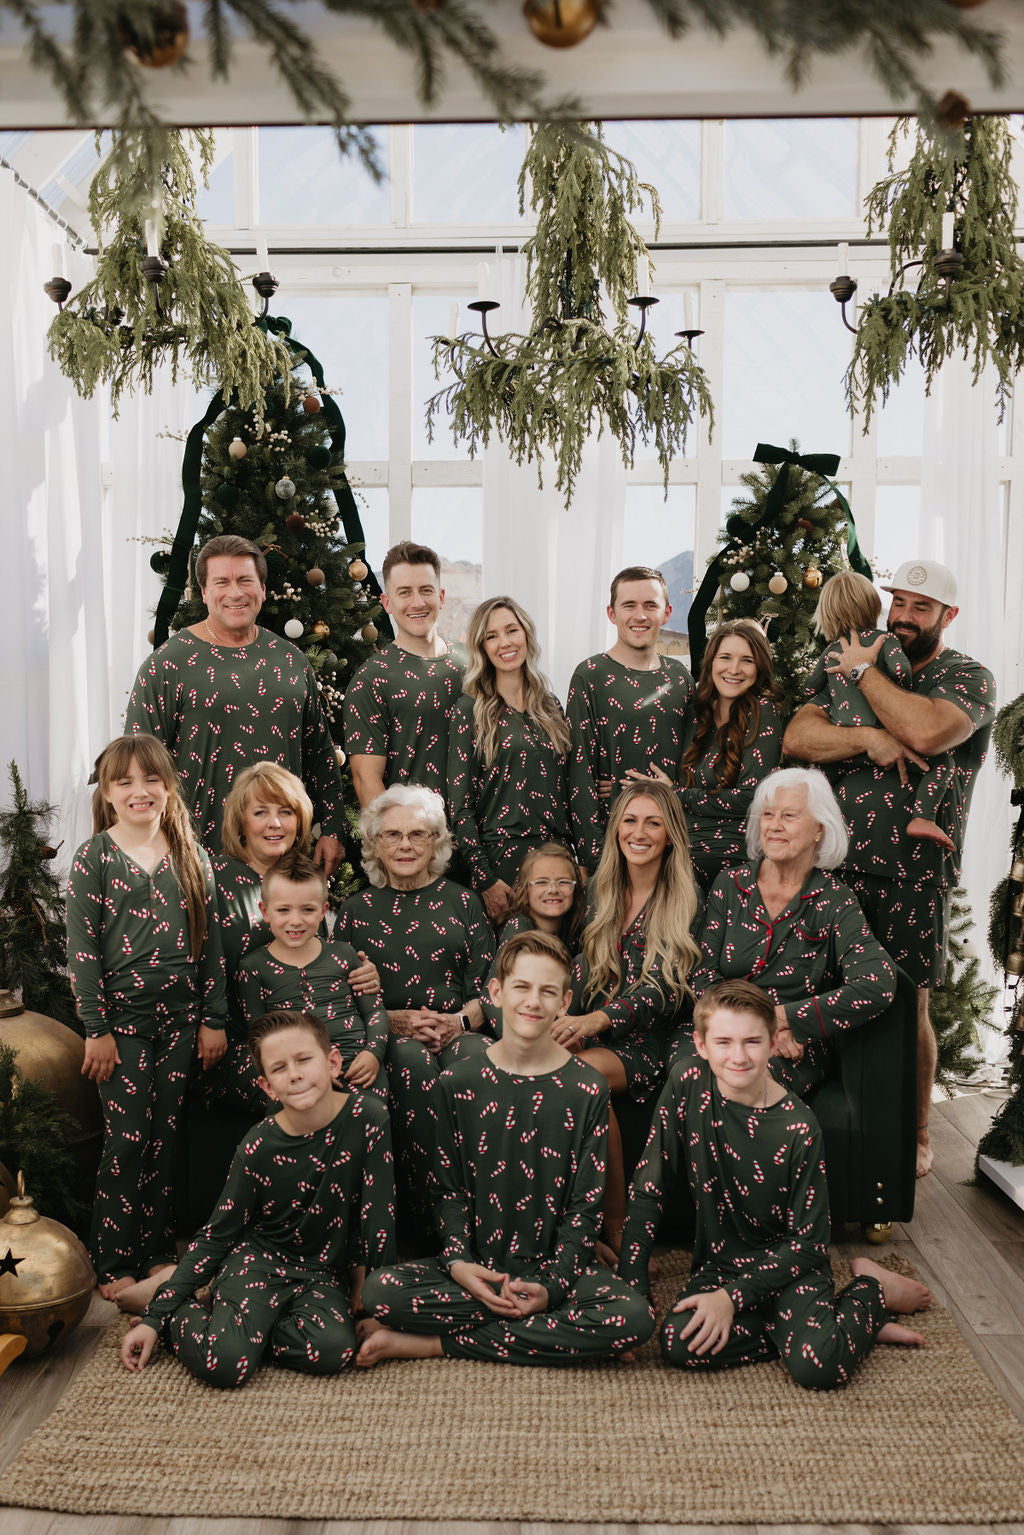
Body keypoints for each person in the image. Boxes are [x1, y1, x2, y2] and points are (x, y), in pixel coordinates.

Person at [783, 559, 997, 1176]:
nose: (903, 616)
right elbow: (799, 735)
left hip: (912, 872)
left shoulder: (967, 678)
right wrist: (868, 740)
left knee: (909, 1002)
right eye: (897, 602)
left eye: (920, 607)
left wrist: (866, 675)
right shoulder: (856, 653)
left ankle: (917, 1131)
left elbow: (927, 732)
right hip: (837, 863)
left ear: (947, 616)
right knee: (822, 994)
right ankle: (826, 1127)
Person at [356, 932, 655, 1369]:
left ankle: (429, 1344)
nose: (533, 1001)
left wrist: (552, 1287)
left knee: (634, 1319)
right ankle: (568, 1332)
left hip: (558, 1269)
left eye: (547, 991)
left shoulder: (587, 1088)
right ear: (495, 992)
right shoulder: (457, 1083)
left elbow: (583, 1208)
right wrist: (459, 1265)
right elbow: (447, 1192)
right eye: (521, 987)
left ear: (564, 1002)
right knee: (379, 1292)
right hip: (476, 1270)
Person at [619, 979, 931, 1388]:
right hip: (722, 1265)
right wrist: (633, 1286)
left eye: (752, 1042)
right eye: (724, 1042)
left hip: (791, 1270)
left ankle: (869, 1292)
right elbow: (648, 1188)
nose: (738, 1056)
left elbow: (808, 1246)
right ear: (701, 1044)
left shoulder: (800, 1128)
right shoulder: (687, 1083)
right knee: (679, 1343)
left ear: (772, 1044)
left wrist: (730, 1301)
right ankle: (827, 1330)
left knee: (818, 1369)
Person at [118, 1009, 396, 1387]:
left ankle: (236, 1323)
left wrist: (377, 1305)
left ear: (333, 1062)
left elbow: (378, 1216)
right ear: (268, 1088)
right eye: (280, 1069)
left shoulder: (369, 1118)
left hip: (321, 1271)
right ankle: (179, 1311)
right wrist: (154, 1320)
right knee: (226, 1365)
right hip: (258, 1261)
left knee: (334, 1350)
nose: (295, 1074)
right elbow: (217, 1235)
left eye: (304, 1060)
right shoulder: (258, 1147)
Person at [66, 735, 226, 1300]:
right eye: (125, 782)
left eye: (150, 779)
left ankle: (158, 1253)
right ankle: (114, 1260)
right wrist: (97, 1029)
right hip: (123, 1028)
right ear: (108, 794)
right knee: (127, 1142)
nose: (140, 791)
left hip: (182, 1024)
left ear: (168, 786)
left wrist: (214, 1018)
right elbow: (82, 952)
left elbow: (210, 947)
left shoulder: (190, 853)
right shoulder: (95, 857)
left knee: (165, 1138)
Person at [124, 533, 345, 870]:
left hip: (282, 860)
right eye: (222, 582)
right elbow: (138, 768)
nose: (236, 592)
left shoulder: (291, 661)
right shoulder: (167, 665)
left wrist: (333, 829)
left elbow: (319, 753)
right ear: (205, 593)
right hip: (194, 860)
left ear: (262, 590)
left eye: (245, 580)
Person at [333, 785, 494, 1234]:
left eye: (417, 835)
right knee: (411, 1063)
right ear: (374, 846)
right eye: (392, 835)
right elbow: (341, 995)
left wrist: (459, 1023)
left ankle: (486, 1212)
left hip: (460, 1030)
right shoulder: (356, 910)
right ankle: (432, 1220)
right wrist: (393, 1021)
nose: (405, 845)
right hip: (390, 1035)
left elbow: (490, 988)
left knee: (478, 1063)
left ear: (436, 842)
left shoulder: (465, 901)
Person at [684, 767, 896, 1100]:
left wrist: (784, 1020)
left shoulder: (834, 900)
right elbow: (700, 970)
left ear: (819, 830)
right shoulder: (730, 884)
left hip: (792, 1047)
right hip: (723, 1030)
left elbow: (878, 983)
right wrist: (752, 1027)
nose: (774, 825)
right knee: (688, 1073)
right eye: (768, 815)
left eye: (790, 815)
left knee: (736, 1083)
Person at [554, 780, 701, 1255]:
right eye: (630, 820)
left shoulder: (686, 897)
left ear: (670, 834)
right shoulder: (600, 891)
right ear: (616, 827)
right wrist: (563, 1011)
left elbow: (666, 988)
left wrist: (597, 1021)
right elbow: (586, 966)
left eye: (653, 822)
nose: (639, 832)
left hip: (654, 1038)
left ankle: (619, 1226)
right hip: (601, 1026)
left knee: (582, 1076)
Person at [204, 763, 380, 1111]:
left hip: (312, 1038)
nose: (275, 823)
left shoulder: (305, 879)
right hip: (241, 1041)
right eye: (261, 812)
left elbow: (323, 958)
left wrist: (362, 974)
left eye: (286, 812)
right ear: (241, 821)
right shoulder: (215, 878)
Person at [631, 618, 783, 894]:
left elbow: (752, 798)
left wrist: (678, 794)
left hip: (732, 857)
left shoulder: (764, 712)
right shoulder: (695, 711)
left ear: (759, 667)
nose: (734, 669)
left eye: (746, 660)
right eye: (725, 657)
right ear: (711, 661)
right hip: (678, 848)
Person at [448, 596, 573, 921]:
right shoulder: (469, 710)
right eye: (492, 636)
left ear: (526, 635)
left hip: (555, 862)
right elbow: (460, 807)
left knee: (558, 964)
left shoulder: (551, 707)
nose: (504, 642)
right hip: (500, 863)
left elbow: (569, 786)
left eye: (511, 630)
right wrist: (485, 878)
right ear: (482, 647)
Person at [230, 852, 390, 1107]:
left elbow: (374, 1013)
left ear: (323, 910)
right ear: (265, 911)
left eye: (307, 909)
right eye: (283, 910)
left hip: (357, 1069)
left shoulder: (343, 954)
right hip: (298, 1076)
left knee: (365, 1116)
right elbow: (260, 1037)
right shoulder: (254, 968)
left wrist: (373, 1053)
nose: (296, 921)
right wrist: (308, 1075)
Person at [807, 571, 954, 848]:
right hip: (881, 734)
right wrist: (896, 689)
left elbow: (809, 686)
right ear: (874, 606)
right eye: (899, 603)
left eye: (920, 607)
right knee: (942, 763)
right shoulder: (884, 641)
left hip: (842, 745)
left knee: (818, 780)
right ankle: (922, 817)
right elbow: (901, 671)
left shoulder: (832, 650)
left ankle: (816, 822)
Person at [566, 566, 694, 872]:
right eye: (629, 606)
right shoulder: (590, 675)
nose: (640, 615)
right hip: (613, 841)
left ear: (666, 613)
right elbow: (579, 771)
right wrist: (593, 855)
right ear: (612, 613)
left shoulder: (680, 678)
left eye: (650, 605)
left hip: (673, 836)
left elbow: (693, 760)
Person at [344, 541, 464, 808]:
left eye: (425, 590)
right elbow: (366, 780)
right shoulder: (371, 680)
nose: (417, 602)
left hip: (483, 839)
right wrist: (399, 843)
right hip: (414, 840)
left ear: (441, 597)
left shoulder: (474, 664)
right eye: (405, 593)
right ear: (387, 603)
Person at [477, 841, 588, 1036]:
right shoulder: (518, 927)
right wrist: (518, 1042)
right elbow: (489, 995)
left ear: (575, 889)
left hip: (552, 1032)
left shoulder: (574, 934)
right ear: (524, 889)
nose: (553, 889)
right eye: (541, 882)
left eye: (563, 882)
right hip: (515, 1038)